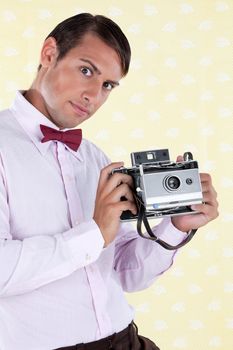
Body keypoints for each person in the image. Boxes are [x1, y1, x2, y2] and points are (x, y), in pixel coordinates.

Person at [0, 13, 218, 350]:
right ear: (48, 53)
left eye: (107, 86)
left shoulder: (94, 157)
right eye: (86, 70)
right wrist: (93, 235)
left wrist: (176, 225)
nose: (94, 95)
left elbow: (127, 274)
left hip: (127, 340)